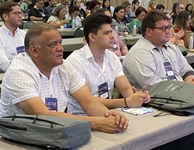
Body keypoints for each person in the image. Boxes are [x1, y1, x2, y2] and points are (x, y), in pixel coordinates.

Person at [0, 23, 129, 134]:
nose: (61, 48)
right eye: (53, 45)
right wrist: (97, 123)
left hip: (56, 132)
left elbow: (88, 101)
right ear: (34, 51)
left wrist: (108, 115)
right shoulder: (19, 72)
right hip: (18, 137)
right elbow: (43, 116)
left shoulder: (63, 66)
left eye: (60, 43)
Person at [66, 13, 149, 115]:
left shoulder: (112, 57)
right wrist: (126, 102)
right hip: (83, 118)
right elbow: (88, 101)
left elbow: (125, 88)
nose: (113, 36)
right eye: (106, 33)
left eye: (111, 31)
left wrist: (138, 98)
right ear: (92, 37)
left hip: (109, 112)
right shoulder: (75, 62)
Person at [123, 11, 194, 90]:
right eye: (163, 28)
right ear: (149, 31)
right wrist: (186, 87)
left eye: (168, 27)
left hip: (180, 93)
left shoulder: (172, 48)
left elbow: (186, 69)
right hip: (155, 99)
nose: (167, 31)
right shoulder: (139, 53)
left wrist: (192, 79)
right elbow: (153, 86)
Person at [0, 1, 26, 72]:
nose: (20, 16)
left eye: (20, 13)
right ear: (5, 17)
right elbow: (4, 65)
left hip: (26, 73)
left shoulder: (24, 34)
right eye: (16, 13)